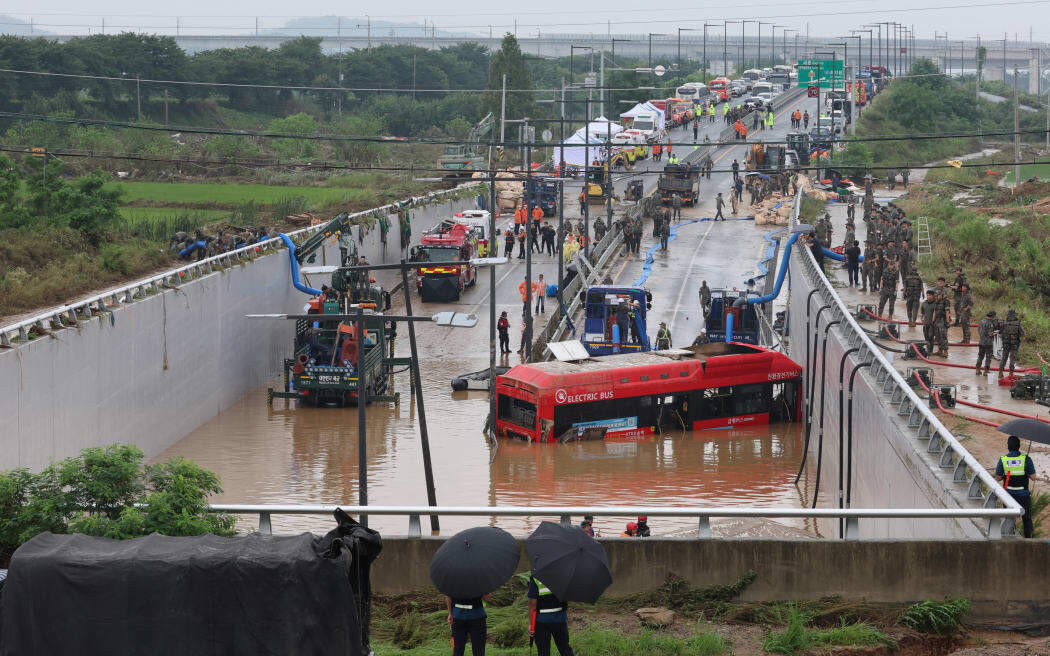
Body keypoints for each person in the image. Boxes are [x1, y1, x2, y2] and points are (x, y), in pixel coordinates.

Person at [994, 435, 1037, 538]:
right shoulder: (1026, 459)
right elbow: (1033, 477)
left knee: (1009, 518)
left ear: (1008, 446)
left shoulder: (1003, 460)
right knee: (1027, 519)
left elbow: (998, 478)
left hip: (1008, 495)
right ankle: (1028, 539)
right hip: (1023, 495)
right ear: (1019, 446)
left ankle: (1009, 536)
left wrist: (1006, 474)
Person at [528, 573, 574, 656]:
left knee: (543, 651)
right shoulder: (563, 574)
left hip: (541, 621)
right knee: (565, 649)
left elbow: (533, 604)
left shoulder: (535, 577)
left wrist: (531, 624)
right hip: (560, 618)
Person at [999, 309, 1024, 376]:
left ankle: (1000, 372)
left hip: (1006, 343)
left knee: (1004, 357)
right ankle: (1011, 373)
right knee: (1012, 358)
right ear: (1014, 315)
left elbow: (1000, 332)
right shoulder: (1018, 324)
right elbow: (1022, 333)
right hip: (1014, 344)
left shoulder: (1004, 323)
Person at [975, 310, 998, 375]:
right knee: (988, 357)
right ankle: (986, 371)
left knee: (980, 356)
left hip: (981, 342)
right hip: (988, 343)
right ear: (992, 316)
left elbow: (979, 331)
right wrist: (995, 332)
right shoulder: (990, 323)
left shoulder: (981, 321)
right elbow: (990, 334)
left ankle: (977, 370)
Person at [933, 289, 952, 357]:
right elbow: (935, 311)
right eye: (936, 295)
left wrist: (947, 322)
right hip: (937, 320)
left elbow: (947, 312)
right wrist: (933, 321)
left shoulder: (945, 301)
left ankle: (945, 352)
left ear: (941, 295)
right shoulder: (936, 301)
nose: (936, 297)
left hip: (943, 320)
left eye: (937, 295)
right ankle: (940, 350)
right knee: (938, 336)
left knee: (943, 336)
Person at [920, 290, 938, 356]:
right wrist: (922, 319)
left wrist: (933, 322)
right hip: (925, 323)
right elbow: (922, 312)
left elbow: (935, 313)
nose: (928, 296)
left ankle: (930, 351)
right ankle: (928, 350)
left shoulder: (936, 304)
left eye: (929, 295)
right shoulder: (924, 303)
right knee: (926, 338)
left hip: (932, 324)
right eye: (927, 295)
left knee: (931, 338)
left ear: (933, 296)